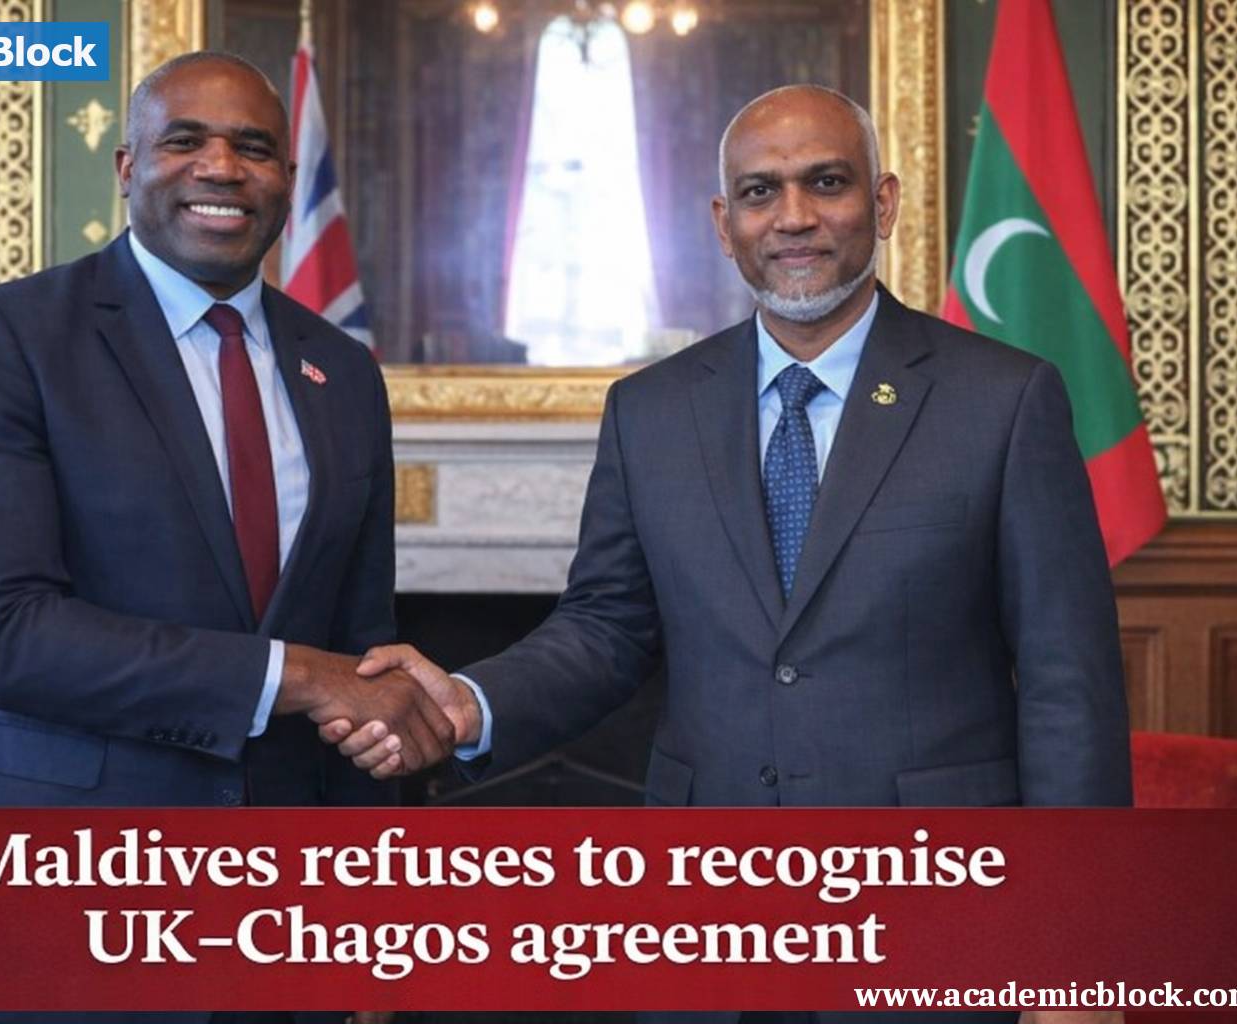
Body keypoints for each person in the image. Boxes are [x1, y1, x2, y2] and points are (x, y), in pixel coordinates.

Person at [331, 85, 1131, 1024]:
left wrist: (1080, 954)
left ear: (882, 202)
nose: (792, 217)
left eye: (824, 183)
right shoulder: (652, 410)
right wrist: (473, 699)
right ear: (723, 221)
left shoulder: (1004, 401)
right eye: (760, 191)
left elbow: (1066, 682)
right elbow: (607, 628)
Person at [0, 50, 445, 1024]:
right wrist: (293, 674)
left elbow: (360, 652)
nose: (221, 168)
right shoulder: (7, 339)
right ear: (126, 166)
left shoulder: (341, 370)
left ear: (289, 178)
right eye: (184, 140)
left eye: (254, 148)